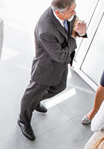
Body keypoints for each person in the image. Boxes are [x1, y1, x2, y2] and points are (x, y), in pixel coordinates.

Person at [18, 0, 88, 141]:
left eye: (75, 10)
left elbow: (73, 30)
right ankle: (23, 121)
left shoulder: (67, 13)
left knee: (60, 87)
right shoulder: (46, 29)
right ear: (58, 13)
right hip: (46, 66)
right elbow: (61, 55)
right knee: (31, 94)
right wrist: (75, 37)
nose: (75, 14)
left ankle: (36, 101)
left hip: (61, 63)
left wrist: (82, 32)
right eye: (71, 12)